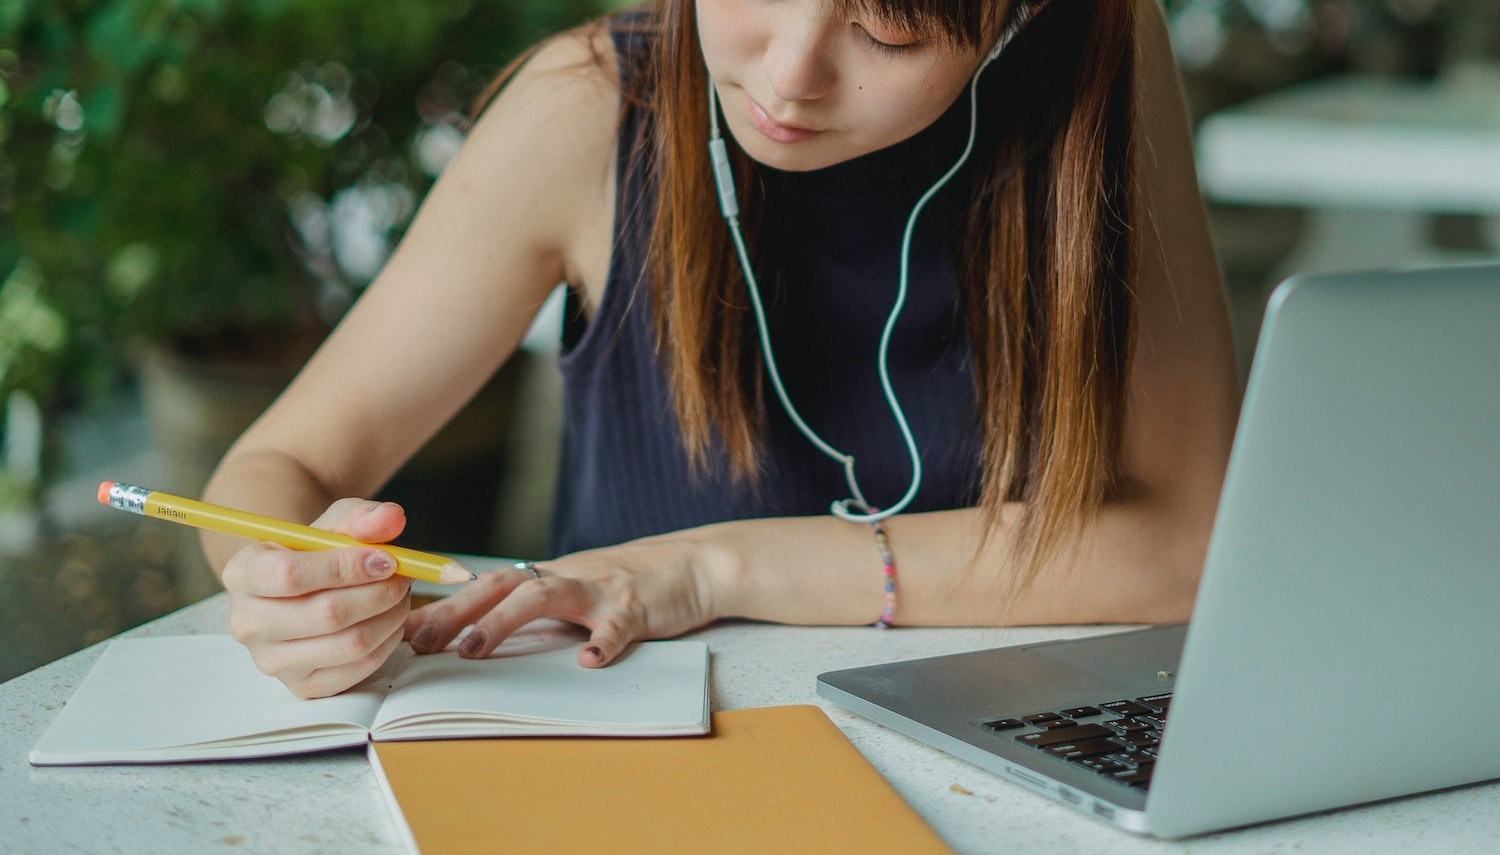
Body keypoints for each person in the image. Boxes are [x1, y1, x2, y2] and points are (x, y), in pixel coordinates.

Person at [202, 0, 1239, 699]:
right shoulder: (589, 109)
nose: (790, 77)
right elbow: (278, 466)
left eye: (889, 31)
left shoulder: (1093, 69)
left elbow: (1185, 549)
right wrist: (290, 587)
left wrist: (708, 568)